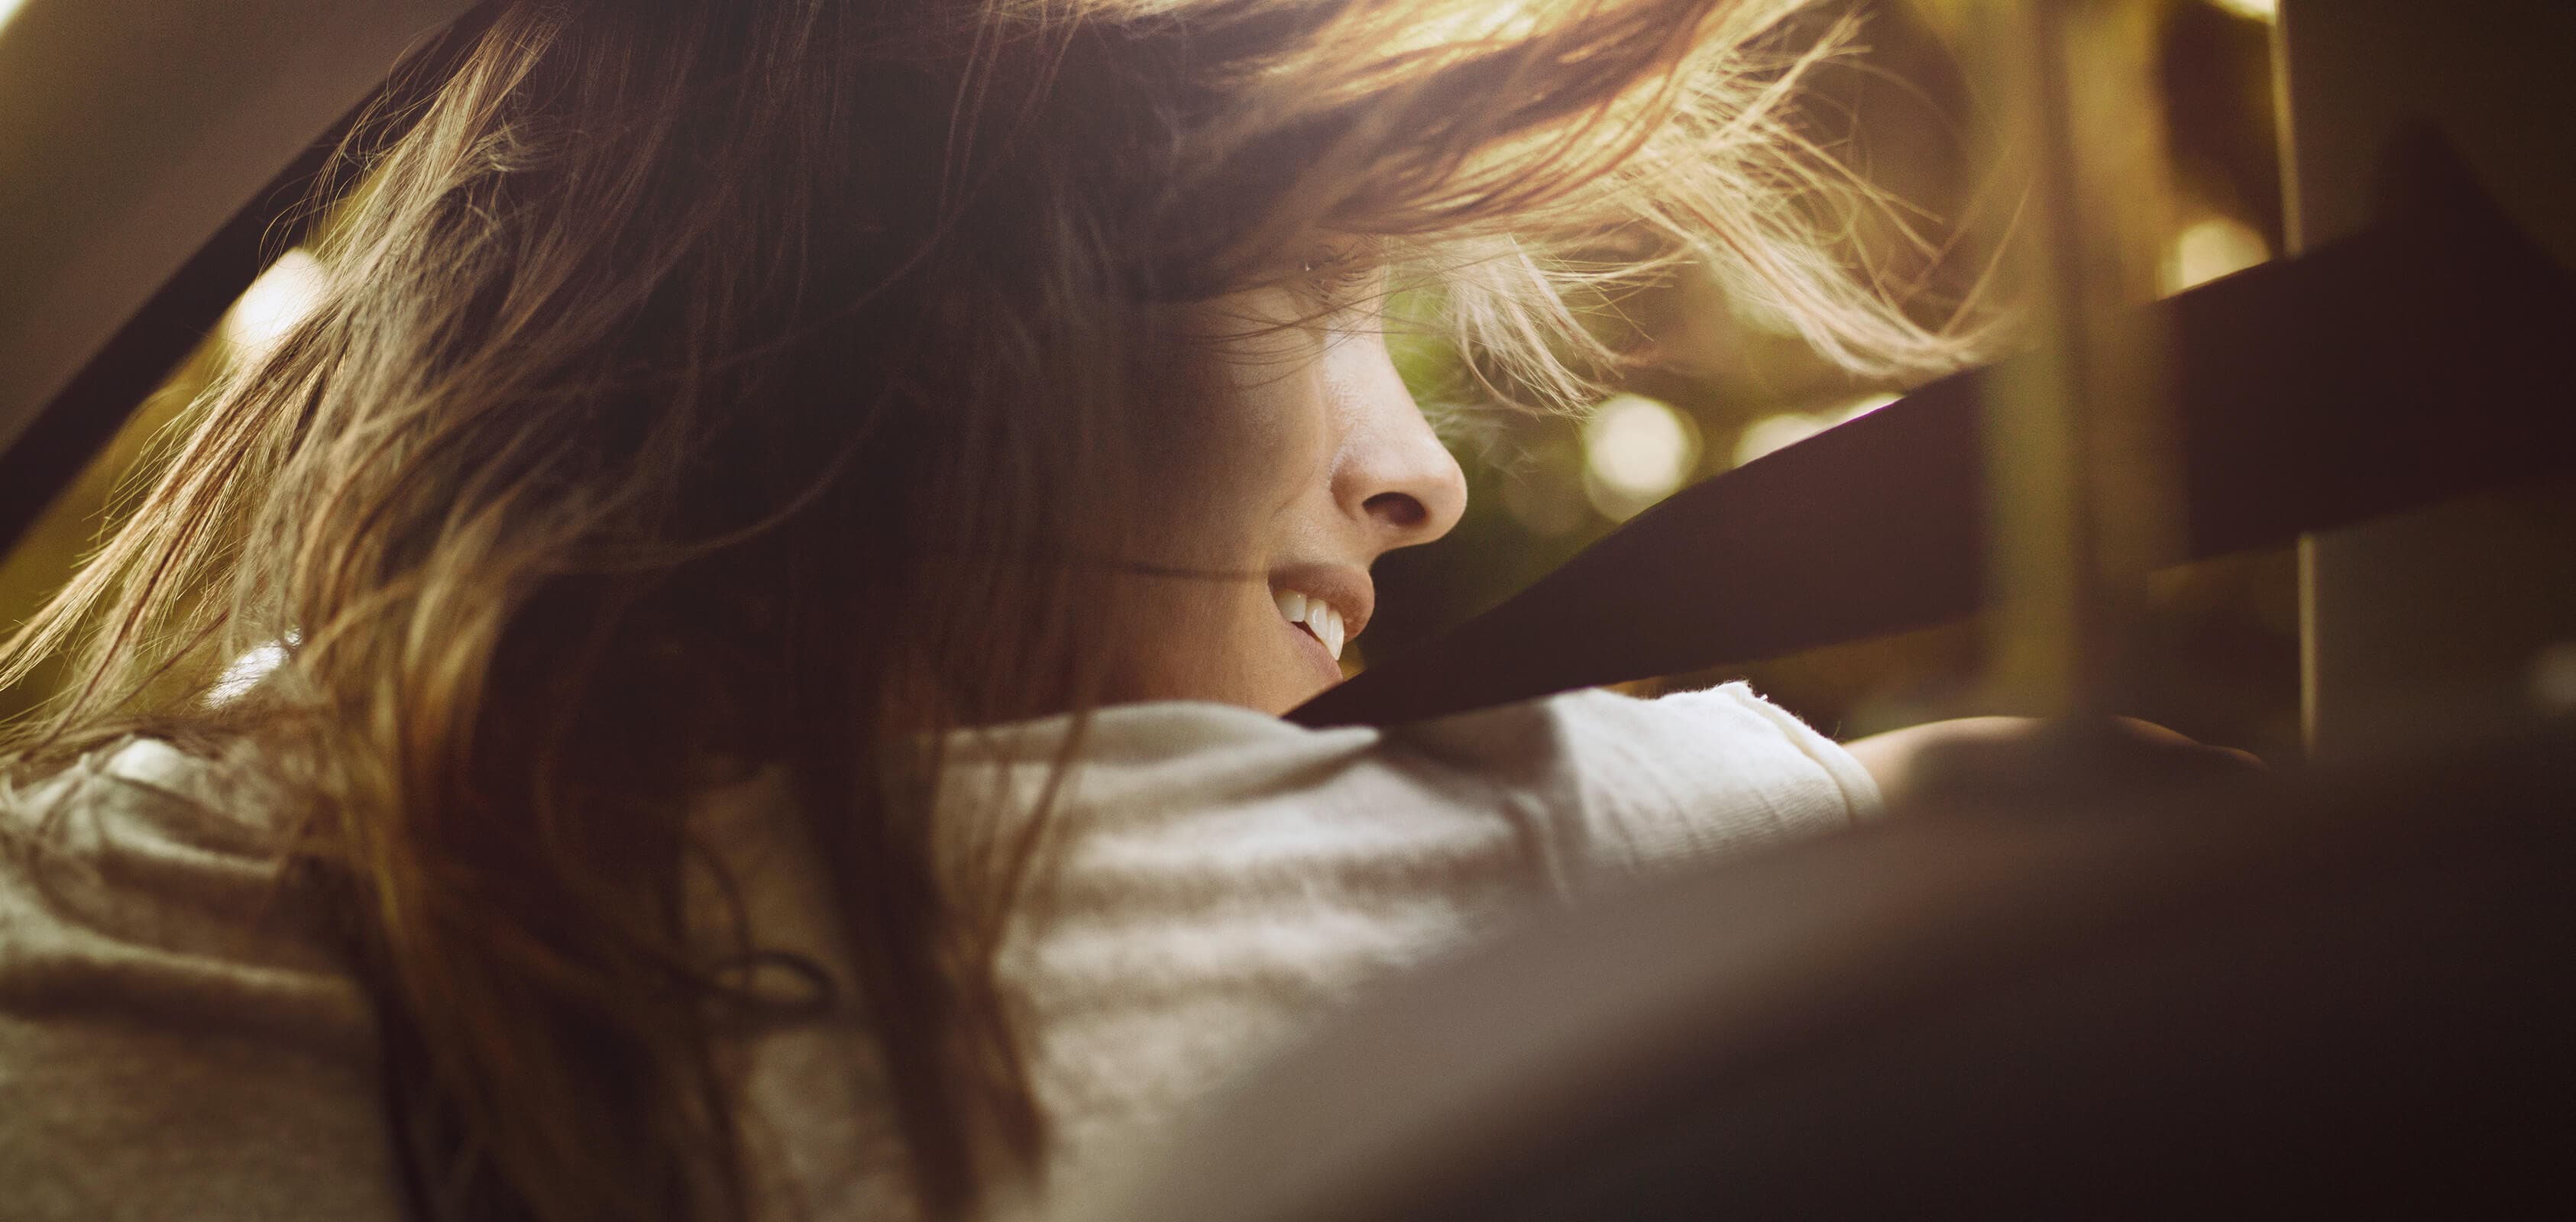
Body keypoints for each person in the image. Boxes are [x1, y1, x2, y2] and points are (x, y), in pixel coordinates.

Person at [0, 2, 2118, 1220]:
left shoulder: (93, 916)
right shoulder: (1565, 851)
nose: (1421, 477)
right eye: (1316, 296)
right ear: (930, 342)